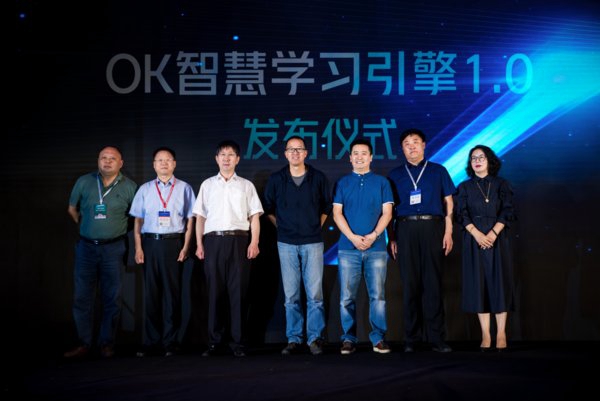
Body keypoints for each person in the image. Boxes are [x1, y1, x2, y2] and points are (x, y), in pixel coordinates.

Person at [65, 146, 137, 358]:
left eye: (112, 158)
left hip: (114, 248)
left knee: (112, 298)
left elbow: (136, 218)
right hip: (86, 248)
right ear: (98, 160)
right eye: (103, 158)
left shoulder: (130, 187)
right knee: (82, 297)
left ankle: (106, 344)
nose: (107, 161)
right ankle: (83, 343)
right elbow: (72, 209)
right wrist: (86, 227)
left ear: (121, 163)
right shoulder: (84, 182)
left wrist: (115, 230)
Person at [193, 140, 263, 357]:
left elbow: (254, 217)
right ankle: (214, 343)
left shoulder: (246, 185)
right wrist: (199, 244)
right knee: (214, 293)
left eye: (230, 155)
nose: (226, 158)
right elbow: (200, 218)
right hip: (213, 242)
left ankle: (238, 343)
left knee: (238, 293)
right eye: (222, 154)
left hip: (239, 241)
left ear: (237, 159)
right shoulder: (207, 185)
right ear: (216, 159)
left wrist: (254, 242)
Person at [388, 129, 455, 353]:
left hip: (432, 227)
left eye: (415, 142)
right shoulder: (395, 174)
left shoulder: (438, 170)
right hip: (405, 228)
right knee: (410, 286)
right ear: (402, 148)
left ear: (424, 145)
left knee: (433, 284)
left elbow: (448, 202)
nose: (412, 146)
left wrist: (448, 231)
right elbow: (388, 209)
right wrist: (392, 237)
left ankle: (437, 338)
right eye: (407, 143)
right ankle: (411, 339)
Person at [263, 136, 332, 356]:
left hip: (313, 241)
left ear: (305, 153)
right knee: (291, 296)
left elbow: (327, 206)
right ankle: (293, 338)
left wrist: (315, 226)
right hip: (286, 243)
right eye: (291, 149)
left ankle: (315, 338)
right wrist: (281, 227)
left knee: (315, 295)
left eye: (299, 149)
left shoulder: (318, 177)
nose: (295, 153)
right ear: (285, 154)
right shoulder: (277, 179)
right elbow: (268, 208)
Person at [129, 147, 196, 357]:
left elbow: (190, 221)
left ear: (174, 163)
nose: (164, 163)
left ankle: (171, 341)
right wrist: (138, 247)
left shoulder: (184, 188)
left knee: (172, 295)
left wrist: (186, 247)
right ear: (154, 165)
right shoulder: (145, 189)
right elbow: (137, 221)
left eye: (168, 160)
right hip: (150, 243)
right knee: (151, 295)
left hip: (174, 244)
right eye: (160, 160)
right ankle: (151, 341)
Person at [332, 139, 393, 355]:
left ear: (371, 157)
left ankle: (378, 338)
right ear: (350, 158)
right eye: (355, 153)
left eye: (364, 153)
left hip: (376, 248)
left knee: (378, 297)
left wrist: (373, 235)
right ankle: (348, 339)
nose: (359, 157)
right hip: (348, 248)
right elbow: (337, 213)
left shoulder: (382, 182)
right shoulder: (342, 183)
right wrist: (353, 238)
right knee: (346, 298)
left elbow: (387, 213)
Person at [456, 145, 515, 352]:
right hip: (474, 238)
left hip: (497, 238)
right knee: (478, 285)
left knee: (499, 284)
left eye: (481, 157)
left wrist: (492, 234)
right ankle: (486, 334)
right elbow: (461, 214)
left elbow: (508, 211)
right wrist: (478, 234)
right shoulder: (464, 187)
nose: (477, 161)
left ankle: (501, 333)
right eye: (473, 158)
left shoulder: (501, 184)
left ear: (490, 160)